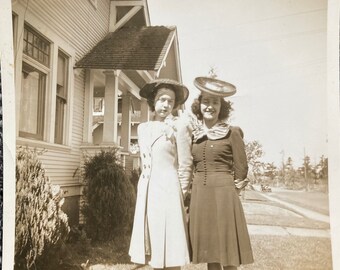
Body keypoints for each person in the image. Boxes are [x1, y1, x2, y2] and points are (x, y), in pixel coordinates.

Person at [188, 76, 254, 270]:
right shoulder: (194, 135)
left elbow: (241, 167)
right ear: (199, 105)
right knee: (211, 250)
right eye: (206, 101)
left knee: (228, 250)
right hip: (200, 195)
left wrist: (233, 193)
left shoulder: (232, 132)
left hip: (225, 195)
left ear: (221, 107)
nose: (210, 106)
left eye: (215, 102)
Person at [129, 78, 192, 269]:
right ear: (153, 102)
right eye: (161, 99)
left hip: (169, 191)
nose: (165, 105)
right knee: (154, 247)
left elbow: (185, 164)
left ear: (175, 105)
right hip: (148, 191)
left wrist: (179, 195)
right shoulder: (142, 128)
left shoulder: (179, 127)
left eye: (170, 101)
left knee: (171, 248)